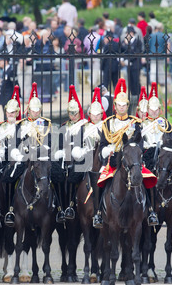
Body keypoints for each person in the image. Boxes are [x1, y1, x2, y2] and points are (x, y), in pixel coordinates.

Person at [96, 78, 157, 227]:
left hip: (131, 160)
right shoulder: (108, 123)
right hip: (113, 160)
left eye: (124, 105)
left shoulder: (135, 122)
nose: (122, 108)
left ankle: (150, 210)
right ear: (115, 105)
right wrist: (107, 150)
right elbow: (103, 144)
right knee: (98, 179)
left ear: (127, 106)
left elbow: (140, 141)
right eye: (119, 105)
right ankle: (98, 213)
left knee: (149, 179)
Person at [71, 87, 107, 228]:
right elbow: (77, 145)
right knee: (72, 176)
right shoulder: (83, 128)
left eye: (98, 114)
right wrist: (80, 152)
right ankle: (72, 205)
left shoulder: (106, 127)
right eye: (93, 114)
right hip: (85, 160)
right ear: (89, 114)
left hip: (102, 160)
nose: (96, 116)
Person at [0, 85, 22, 226]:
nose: (11, 114)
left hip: (17, 160)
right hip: (2, 160)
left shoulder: (22, 127)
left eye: (13, 112)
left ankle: (14, 208)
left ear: (17, 112)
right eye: (9, 112)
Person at [141, 82, 172, 225]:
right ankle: (147, 207)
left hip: (162, 156)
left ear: (160, 110)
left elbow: (171, 142)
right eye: (151, 110)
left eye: (156, 110)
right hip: (147, 155)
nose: (154, 112)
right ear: (147, 110)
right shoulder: (141, 124)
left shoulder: (166, 124)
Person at [54, 85, 86, 222]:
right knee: (56, 174)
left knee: (76, 174)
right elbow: (60, 145)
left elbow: (87, 144)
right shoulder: (63, 127)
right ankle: (61, 207)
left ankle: (72, 205)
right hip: (66, 159)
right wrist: (60, 152)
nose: (73, 116)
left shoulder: (85, 126)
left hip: (80, 158)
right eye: (71, 113)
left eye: (76, 113)